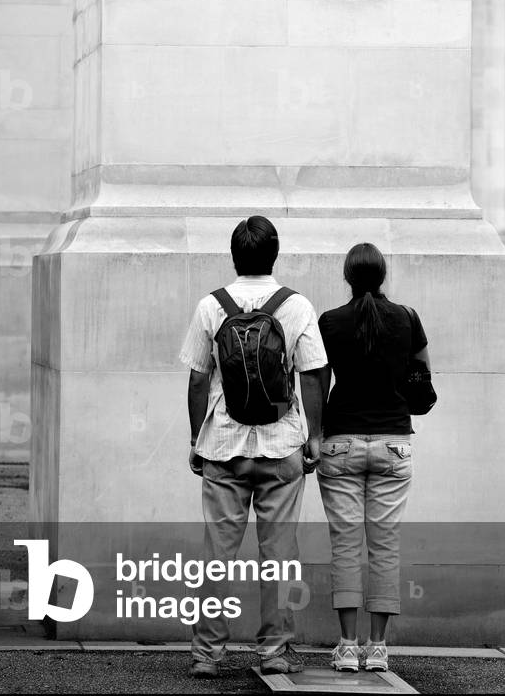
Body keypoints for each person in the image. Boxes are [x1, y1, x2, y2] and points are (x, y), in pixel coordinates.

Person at [179, 215, 328, 679]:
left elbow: (198, 378)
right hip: (281, 447)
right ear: (275, 254)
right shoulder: (296, 306)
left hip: (223, 446)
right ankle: (274, 652)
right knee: (279, 556)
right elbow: (314, 374)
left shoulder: (211, 306)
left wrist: (195, 436)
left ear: (234, 256)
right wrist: (315, 436)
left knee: (218, 556)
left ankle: (208, 654)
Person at [317, 242, 433, 673]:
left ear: (347, 277)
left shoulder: (330, 322)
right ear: (383, 276)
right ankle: (378, 648)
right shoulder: (407, 319)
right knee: (384, 546)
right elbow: (422, 373)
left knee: (345, 547)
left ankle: (347, 647)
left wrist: (313, 436)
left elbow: (317, 383)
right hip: (393, 443)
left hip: (340, 442)